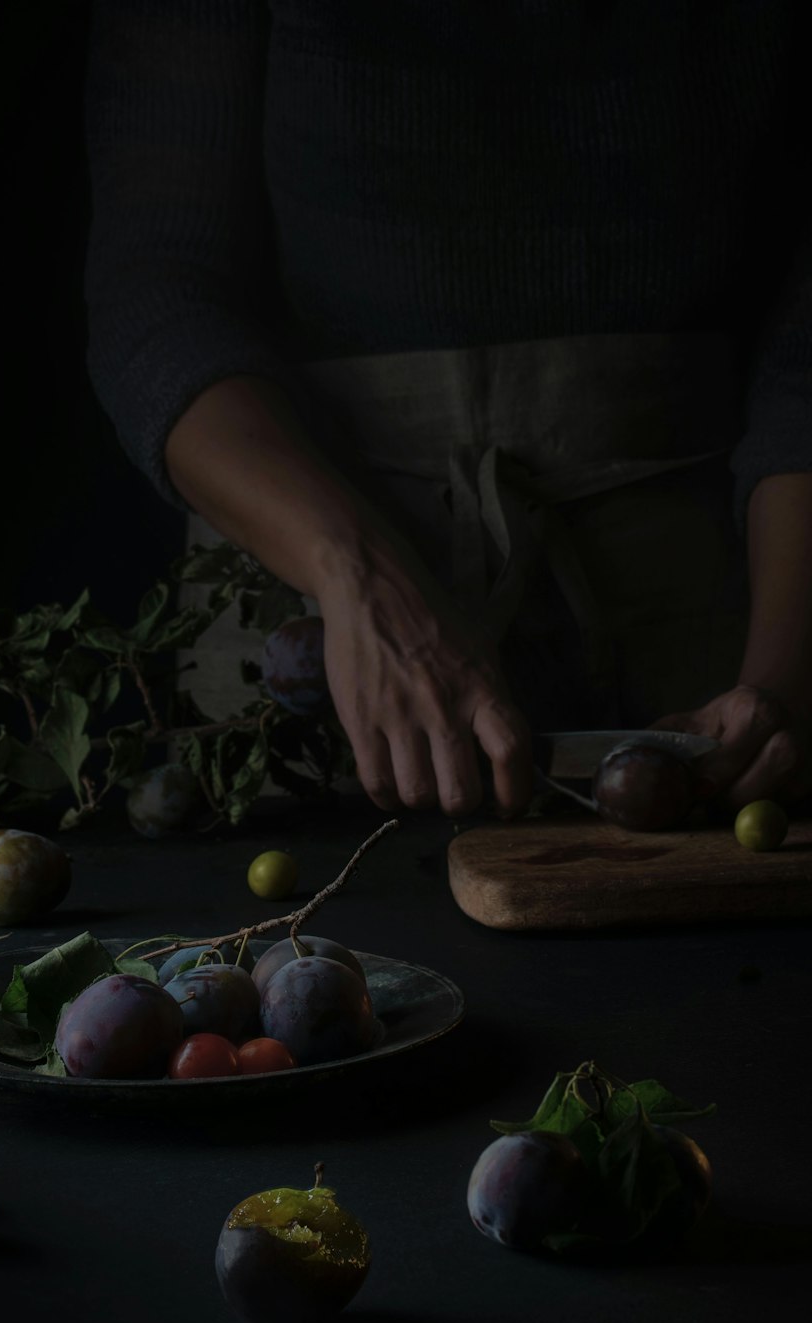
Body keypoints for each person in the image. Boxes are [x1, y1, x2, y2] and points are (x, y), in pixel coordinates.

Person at [81, 1, 812, 819]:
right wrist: (359, 576)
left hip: (702, 640)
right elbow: (154, 296)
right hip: (319, 648)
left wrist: (783, 681)